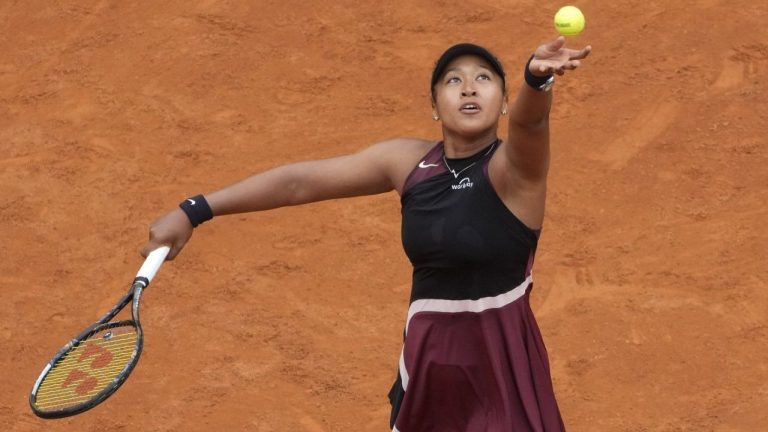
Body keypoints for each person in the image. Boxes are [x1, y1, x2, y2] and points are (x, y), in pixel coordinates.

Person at [142, 35, 591, 432]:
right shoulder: (409, 162)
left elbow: (531, 124)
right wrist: (195, 209)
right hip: (430, 368)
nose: (469, 87)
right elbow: (302, 183)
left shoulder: (515, 170)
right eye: (452, 80)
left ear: (504, 102)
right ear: (434, 106)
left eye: (484, 78)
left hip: (502, 371)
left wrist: (536, 80)